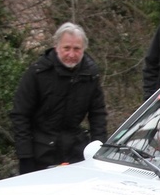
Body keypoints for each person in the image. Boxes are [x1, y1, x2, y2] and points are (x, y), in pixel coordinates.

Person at [11, 22, 107, 174]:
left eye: (77, 49)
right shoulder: (38, 73)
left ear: (84, 49)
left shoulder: (91, 75)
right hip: (40, 153)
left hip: (76, 152)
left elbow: (98, 114)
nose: (71, 54)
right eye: (66, 48)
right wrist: (25, 156)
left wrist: (99, 149)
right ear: (56, 47)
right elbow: (20, 115)